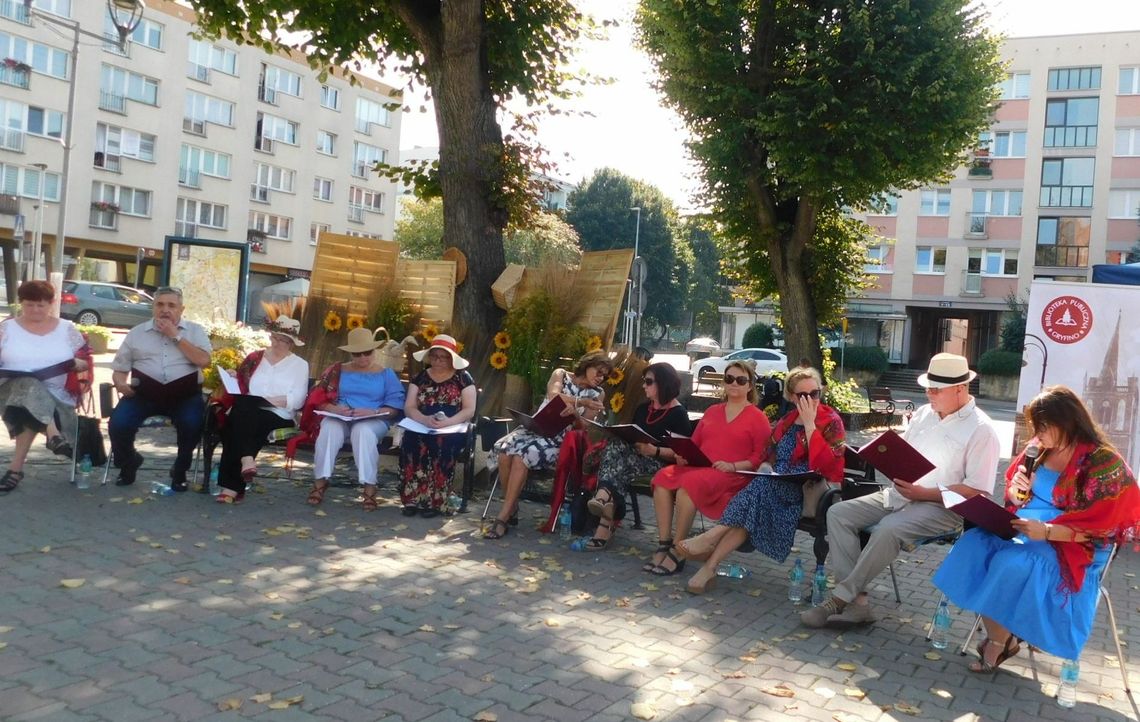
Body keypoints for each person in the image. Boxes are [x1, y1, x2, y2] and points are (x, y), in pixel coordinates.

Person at [933, 385, 1140, 672]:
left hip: (1076, 545)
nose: (1037, 433)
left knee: (1009, 563)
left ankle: (999, 642)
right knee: (974, 544)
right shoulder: (1038, 450)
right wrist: (1019, 495)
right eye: (1035, 426)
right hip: (1028, 530)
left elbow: (1104, 529)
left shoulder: (1103, 462)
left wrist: (1047, 531)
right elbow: (1015, 497)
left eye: (1043, 426)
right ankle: (1003, 637)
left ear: (1067, 422)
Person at [801, 352, 1001, 628]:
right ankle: (858, 603)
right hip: (899, 495)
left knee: (888, 529)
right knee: (838, 513)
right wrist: (891, 462)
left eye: (936, 389)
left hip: (943, 508)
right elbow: (904, 454)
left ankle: (839, 599)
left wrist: (924, 494)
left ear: (961, 388)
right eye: (927, 387)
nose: (929, 394)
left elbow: (977, 492)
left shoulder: (982, 430)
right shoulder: (923, 414)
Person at [678, 365, 845, 593]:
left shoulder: (831, 421)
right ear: (792, 397)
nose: (810, 400)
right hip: (772, 486)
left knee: (760, 489)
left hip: (806, 490)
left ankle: (712, 536)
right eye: (803, 395)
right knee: (757, 498)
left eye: (814, 394)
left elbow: (826, 466)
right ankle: (709, 567)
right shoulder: (787, 420)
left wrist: (809, 424)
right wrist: (767, 465)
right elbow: (768, 454)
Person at [646, 360, 772, 576]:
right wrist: (682, 455)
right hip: (701, 468)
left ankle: (678, 551)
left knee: (689, 486)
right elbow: (694, 443)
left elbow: (758, 458)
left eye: (740, 380)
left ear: (750, 386)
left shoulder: (757, 418)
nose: (734, 383)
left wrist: (732, 465)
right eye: (729, 378)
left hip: (732, 474)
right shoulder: (713, 411)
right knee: (662, 477)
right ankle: (664, 544)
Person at [483, 351, 611, 540]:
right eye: (598, 372)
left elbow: (583, 426)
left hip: (560, 438)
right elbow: (553, 396)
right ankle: (512, 506)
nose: (600, 378)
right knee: (504, 451)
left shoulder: (598, 394)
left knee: (521, 457)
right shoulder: (561, 374)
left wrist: (575, 414)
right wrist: (581, 401)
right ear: (587, 365)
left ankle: (502, 517)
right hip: (536, 427)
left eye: (604, 376)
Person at [573, 362, 691, 549]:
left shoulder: (679, 414)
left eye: (649, 381)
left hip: (660, 464)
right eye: (644, 381)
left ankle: (604, 503)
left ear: (663, 383)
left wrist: (655, 450)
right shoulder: (643, 409)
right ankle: (605, 503)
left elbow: (683, 453)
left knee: (616, 458)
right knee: (616, 445)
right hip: (632, 459)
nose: (644, 385)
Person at [109, 286, 212, 491]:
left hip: (183, 396)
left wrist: (176, 336)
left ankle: (180, 470)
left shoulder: (195, 331)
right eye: (160, 305)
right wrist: (120, 383)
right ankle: (129, 461)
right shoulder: (137, 333)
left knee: (192, 424)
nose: (165, 310)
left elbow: (204, 361)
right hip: (144, 395)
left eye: (171, 305)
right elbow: (119, 368)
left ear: (181, 309)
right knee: (118, 424)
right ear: (153, 307)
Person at [0, 281, 91, 493]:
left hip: (57, 396)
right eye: (29, 305)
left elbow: (86, 362)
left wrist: (78, 364)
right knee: (28, 384)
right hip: (9, 393)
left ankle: (15, 470)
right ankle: (54, 434)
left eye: (41, 305)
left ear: (51, 303)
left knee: (29, 406)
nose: (35, 310)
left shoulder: (67, 329)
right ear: (21, 303)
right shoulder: (6, 328)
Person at [304, 326, 405, 511]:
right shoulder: (337, 370)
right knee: (329, 429)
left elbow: (395, 408)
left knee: (363, 431)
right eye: (357, 354)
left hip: (373, 418)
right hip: (340, 415)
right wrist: (334, 408)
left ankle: (369, 486)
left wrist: (373, 412)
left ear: (373, 351)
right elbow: (317, 398)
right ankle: (320, 481)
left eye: (367, 353)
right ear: (351, 354)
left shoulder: (386, 374)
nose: (363, 358)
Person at [213, 317, 309, 504]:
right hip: (248, 411)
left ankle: (232, 486)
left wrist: (270, 400)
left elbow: (298, 399)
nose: (278, 343)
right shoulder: (255, 358)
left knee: (235, 422)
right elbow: (241, 386)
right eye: (276, 338)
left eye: (284, 340)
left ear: (292, 343)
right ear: (271, 336)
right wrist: (234, 375)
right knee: (244, 413)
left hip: (279, 414)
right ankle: (245, 462)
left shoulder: (300, 365)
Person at [398, 334, 476, 517]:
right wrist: (424, 420)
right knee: (411, 441)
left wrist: (447, 422)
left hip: (452, 425)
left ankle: (436, 502)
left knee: (443, 444)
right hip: (423, 423)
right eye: (434, 356)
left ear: (452, 359)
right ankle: (412, 499)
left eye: (443, 357)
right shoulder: (420, 378)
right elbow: (409, 407)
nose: (438, 360)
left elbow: (469, 410)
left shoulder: (463, 379)